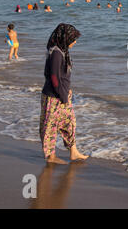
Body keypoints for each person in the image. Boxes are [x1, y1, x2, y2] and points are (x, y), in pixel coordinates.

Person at [40, 23, 88, 164]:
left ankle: (73, 151)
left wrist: (66, 92)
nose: (75, 42)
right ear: (66, 38)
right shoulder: (56, 53)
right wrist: (62, 94)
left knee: (69, 123)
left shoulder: (62, 51)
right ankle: (50, 156)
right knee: (49, 126)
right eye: (73, 39)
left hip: (62, 94)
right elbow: (54, 76)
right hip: (53, 96)